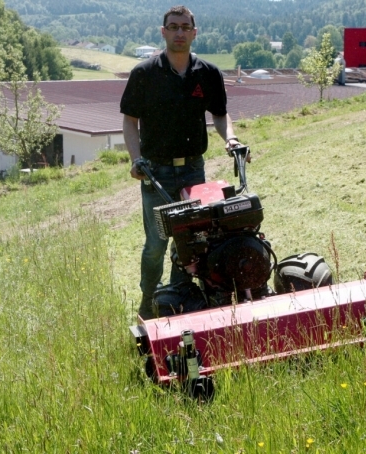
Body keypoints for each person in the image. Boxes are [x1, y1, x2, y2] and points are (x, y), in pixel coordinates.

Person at [120, 5, 242, 319]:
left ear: (194, 33)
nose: (179, 32)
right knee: (157, 245)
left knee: (191, 240)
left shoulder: (208, 73)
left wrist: (231, 139)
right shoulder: (144, 73)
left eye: (185, 27)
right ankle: (148, 302)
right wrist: (136, 161)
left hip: (193, 169)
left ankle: (178, 301)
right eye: (173, 27)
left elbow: (219, 114)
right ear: (163, 32)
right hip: (155, 171)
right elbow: (129, 121)